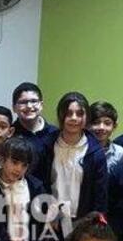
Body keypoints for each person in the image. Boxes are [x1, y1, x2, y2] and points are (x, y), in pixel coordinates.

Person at [36, 92, 107, 226]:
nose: (74, 118)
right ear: (61, 115)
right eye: (68, 113)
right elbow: (39, 183)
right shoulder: (46, 146)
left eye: (80, 114)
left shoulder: (95, 152)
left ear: (87, 117)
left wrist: (93, 223)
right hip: (51, 220)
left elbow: (100, 194)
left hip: (83, 222)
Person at [0, 137, 48, 241]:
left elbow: (41, 225)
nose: (19, 169)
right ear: (2, 160)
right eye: (14, 162)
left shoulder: (36, 188)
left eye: (24, 165)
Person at [10, 82, 58, 174]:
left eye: (34, 101)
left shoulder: (55, 134)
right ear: (14, 108)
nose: (29, 106)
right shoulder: (10, 135)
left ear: (41, 105)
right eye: (23, 102)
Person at [88, 101, 123, 173]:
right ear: (87, 124)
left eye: (107, 123)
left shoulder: (119, 152)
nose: (101, 127)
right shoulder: (80, 149)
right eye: (96, 123)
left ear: (114, 126)